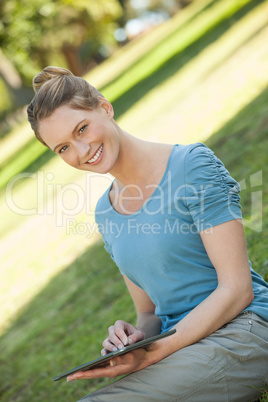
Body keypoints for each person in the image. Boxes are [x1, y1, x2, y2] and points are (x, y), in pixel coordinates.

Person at [27, 66, 268, 402]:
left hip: (245, 330)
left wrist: (156, 352)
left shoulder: (191, 166)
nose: (81, 152)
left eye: (81, 129)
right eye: (63, 148)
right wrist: (135, 337)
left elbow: (237, 289)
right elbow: (151, 312)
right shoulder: (106, 212)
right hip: (178, 346)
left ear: (105, 107)